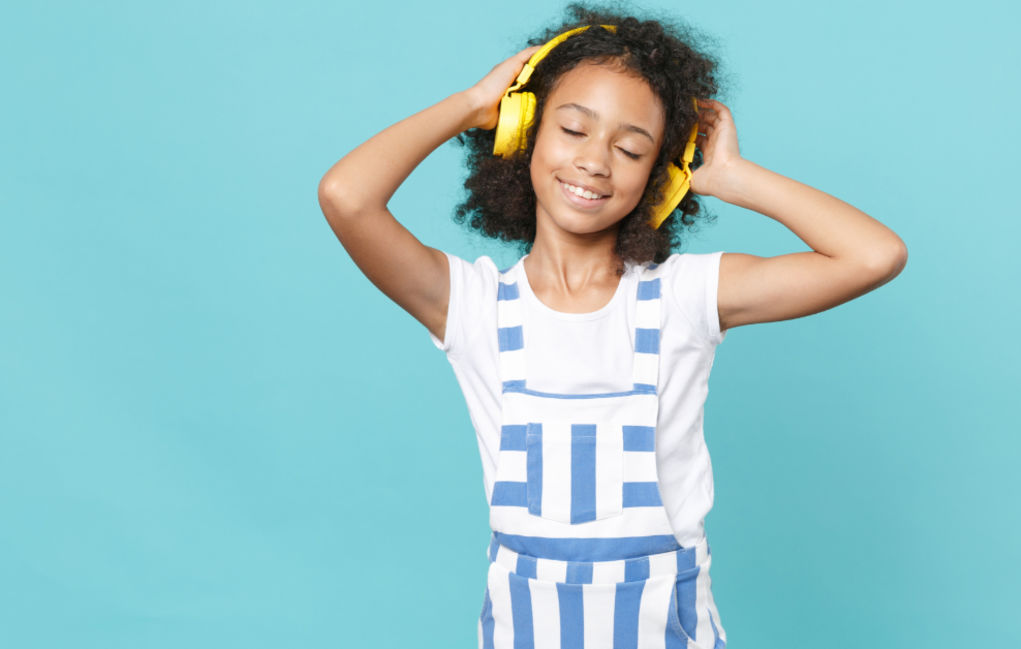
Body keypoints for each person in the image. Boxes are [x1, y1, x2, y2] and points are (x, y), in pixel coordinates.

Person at [318, 3, 906, 647]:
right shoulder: (471, 305)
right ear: (525, 134)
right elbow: (347, 196)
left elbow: (874, 255)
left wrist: (733, 177)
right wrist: (472, 103)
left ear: (660, 176)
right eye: (572, 130)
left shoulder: (685, 296)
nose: (596, 162)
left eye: (630, 149)